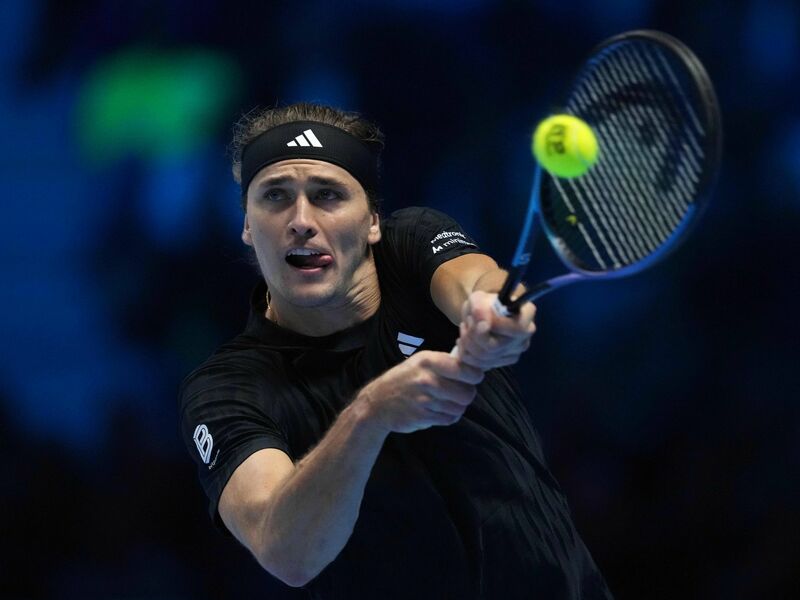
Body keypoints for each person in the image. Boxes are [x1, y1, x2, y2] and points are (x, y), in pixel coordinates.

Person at [179, 102, 613, 599]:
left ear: (372, 222)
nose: (301, 220)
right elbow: (287, 554)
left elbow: (475, 280)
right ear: (247, 225)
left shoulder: (410, 247)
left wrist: (488, 312)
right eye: (275, 196)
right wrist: (369, 414)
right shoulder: (225, 388)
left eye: (327, 195)